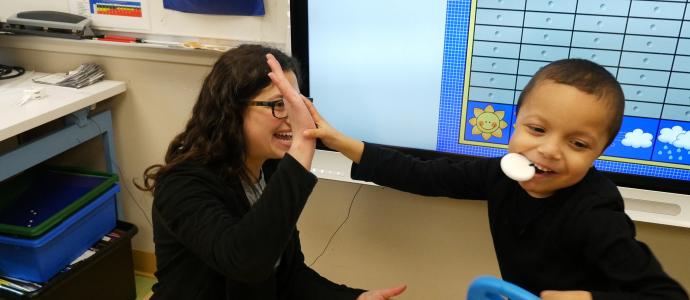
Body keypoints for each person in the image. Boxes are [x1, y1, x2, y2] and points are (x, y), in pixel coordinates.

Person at [304, 59, 689, 300]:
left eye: (577, 143)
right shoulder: (501, 173)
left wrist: (588, 298)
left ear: (600, 151)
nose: (551, 150)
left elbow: (666, 295)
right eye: (537, 129)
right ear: (513, 123)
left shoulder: (595, 213)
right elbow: (423, 174)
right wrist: (342, 143)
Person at [136, 44, 406, 299]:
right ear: (232, 109)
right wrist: (301, 146)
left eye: (298, 104)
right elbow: (246, 262)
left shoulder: (269, 169)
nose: (297, 117)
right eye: (280, 104)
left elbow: (288, 275)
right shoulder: (182, 185)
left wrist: (354, 297)